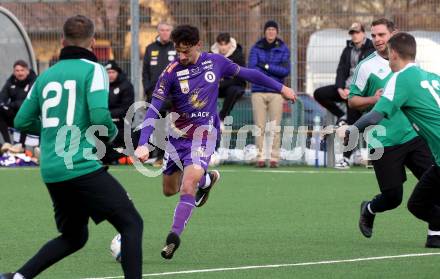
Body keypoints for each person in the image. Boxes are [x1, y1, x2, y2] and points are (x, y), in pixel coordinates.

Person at [134, 24, 296, 260]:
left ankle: (173, 237)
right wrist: (142, 143)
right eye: (178, 52)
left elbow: (250, 74)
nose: (182, 56)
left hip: (205, 136)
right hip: (177, 138)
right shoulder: (170, 72)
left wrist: (281, 87)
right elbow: (153, 108)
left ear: (198, 45)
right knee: (169, 190)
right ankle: (208, 179)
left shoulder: (215, 62)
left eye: (186, 51)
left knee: (188, 185)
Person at [0, 15, 143, 279]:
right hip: (80, 165)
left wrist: (51, 131)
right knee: (131, 223)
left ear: (62, 41)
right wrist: (111, 138)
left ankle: (18, 277)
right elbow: (100, 117)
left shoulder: (45, 76)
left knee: (74, 236)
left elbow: (21, 120)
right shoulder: (94, 70)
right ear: (92, 42)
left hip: (53, 169)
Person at [345, 32, 440, 248]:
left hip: (414, 140)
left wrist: (351, 130)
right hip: (384, 141)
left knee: (419, 202)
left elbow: (375, 116)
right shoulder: (432, 77)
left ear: (394, 53)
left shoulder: (400, 77)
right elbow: (354, 101)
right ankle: (369, 209)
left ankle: (435, 234)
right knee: (395, 197)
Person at [313, 22, 374, 169]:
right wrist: (340, 88)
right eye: (352, 33)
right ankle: (342, 116)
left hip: (360, 93)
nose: (354, 35)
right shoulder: (348, 49)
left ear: (363, 33)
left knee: (352, 125)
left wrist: (354, 91)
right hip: (346, 89)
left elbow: (370, 74)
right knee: (320, 93)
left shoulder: (372, 49)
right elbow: (341, 69)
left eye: (357, 32)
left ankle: (346, 158)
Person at [248, 20, 291, 168]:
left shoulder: (283, 48)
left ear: (277, 32)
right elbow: (252, 70)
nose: (271, 32)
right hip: (258, 92)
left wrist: (265, 66)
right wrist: (272, 70)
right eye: (268, 30)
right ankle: (260, 157)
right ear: (264, 32)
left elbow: (285, 71)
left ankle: (274, 158)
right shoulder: (256, 47)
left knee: (274, 127)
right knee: (259, 126)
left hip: (276, 92)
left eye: (273, 29)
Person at [142, 22, 176, 167]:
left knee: (177, 125)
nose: (165, 33)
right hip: (157, 95)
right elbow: (145, 73)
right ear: (158, 31)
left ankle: (177, 156)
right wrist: (149, 90)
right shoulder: (150, 49)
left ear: (171, 32)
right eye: (162, 30)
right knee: (159, 126)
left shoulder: (176, 48)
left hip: (175, 95)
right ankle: (160, 156)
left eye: (167, 30)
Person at [0, 60, 37, 153]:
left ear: (27, 71)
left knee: (24, 111)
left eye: (22, 70)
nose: (20, 73)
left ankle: (21, 145)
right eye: (17, 71)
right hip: (14, 115)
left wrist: (11, 105)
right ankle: (7, 144)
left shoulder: (34, 81)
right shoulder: (10, 82)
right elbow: (2, 98)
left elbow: (29, 102)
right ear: (14, 72)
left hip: (31, 118)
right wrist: (4, 105)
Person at [102, 60, 135, 164]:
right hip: (104, 121)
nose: (110, 75)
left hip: (121, 122)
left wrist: (108, 114)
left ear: (118, 73)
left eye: (113, 72)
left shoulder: (126, 86)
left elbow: (127, 108)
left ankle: (121, 156)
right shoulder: (101, 85)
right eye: (108, 72)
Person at [211, 32, 246, 124]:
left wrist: (221, 83)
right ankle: (206, 118)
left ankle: (221, 118)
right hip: (216, 87)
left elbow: (239, 79)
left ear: (230, 44)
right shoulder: (211, 55)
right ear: (217, 45)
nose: (223, 47)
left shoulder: (238, 55)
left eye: (225, 44)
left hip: (234, 86)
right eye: (221, 44)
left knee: (234, 90)